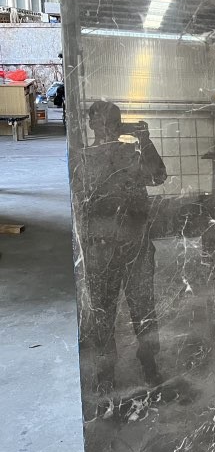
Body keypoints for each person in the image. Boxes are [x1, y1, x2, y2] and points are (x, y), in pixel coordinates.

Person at [77, 101, 167, 394]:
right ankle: (108, 373)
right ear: (92, 124)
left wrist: (144, 141)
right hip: (103, 247)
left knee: (141, 308)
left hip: (131, 245)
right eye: (103, 121)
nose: (108, 127)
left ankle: (147, 363)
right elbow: (80, 203)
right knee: (105, 313)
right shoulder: (83, 158)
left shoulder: (129, 153)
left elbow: (157, 176)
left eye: (113, 121)